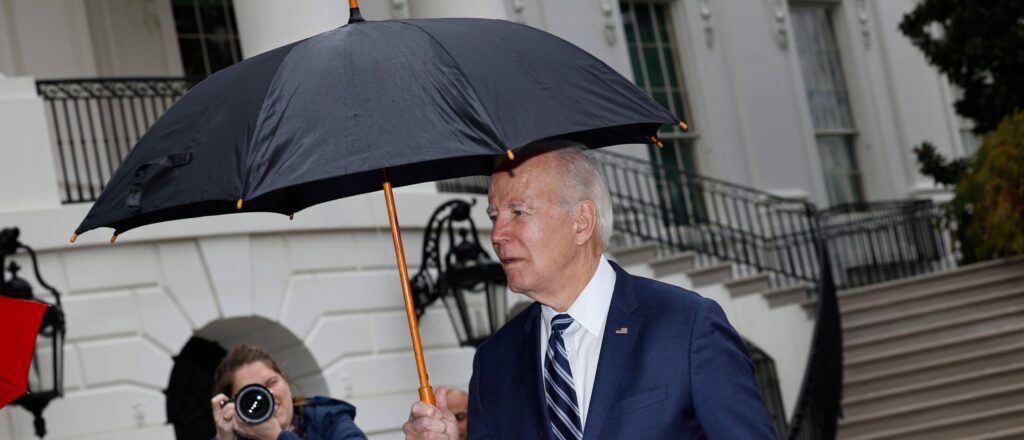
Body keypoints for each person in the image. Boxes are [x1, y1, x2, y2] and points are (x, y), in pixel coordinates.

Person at [403, 144, 775, 439]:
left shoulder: (686, 326)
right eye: (493, 216)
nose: (497, 235)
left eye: (518, 212)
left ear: (581, 221)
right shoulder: (493, 363)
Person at [211, 344, 367, 440]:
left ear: (285, 381)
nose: (266, 395)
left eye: (271, 383)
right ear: (234, 406)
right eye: (252, 393)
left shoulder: (328, 421)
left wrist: (278, 437)